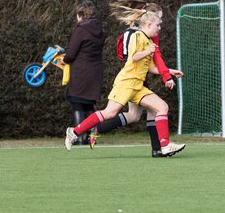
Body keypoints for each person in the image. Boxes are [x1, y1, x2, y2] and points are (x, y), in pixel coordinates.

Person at [65, 10, 186, 157]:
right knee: (110, 112)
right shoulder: (137, 36)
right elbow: (134, 57)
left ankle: (165, 145)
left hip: (138, 86)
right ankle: (74, 131)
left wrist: (169, 71)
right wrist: (148, 51)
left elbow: (148, 67)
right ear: (148, 24)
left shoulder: (148, 41)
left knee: (162, 107)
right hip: (126, 83)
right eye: (158, 25)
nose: (160, 28)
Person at [61, 0, 105, 145]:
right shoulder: (99, 29)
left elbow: (71, 53)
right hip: (95, 71)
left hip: (81, 71)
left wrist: (64, 60)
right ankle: (93, 138)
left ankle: (79, 138)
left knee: (77, 103)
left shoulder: (80, 29)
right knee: (89, 105)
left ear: (80, 14)